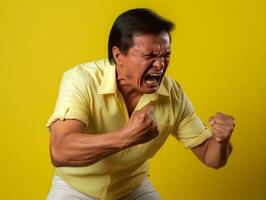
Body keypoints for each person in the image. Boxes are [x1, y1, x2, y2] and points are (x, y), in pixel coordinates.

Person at [46, 8, 235, 200]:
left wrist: (221, 141)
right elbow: (60, 150)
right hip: (75, 189)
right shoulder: (80, 79)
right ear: (118, 55)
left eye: (166, 55)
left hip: (133, 189)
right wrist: (125, 136)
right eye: (149, 56)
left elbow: (211, 157)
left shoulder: (173, 94)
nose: (160, 65)